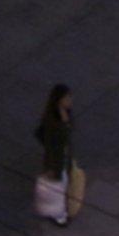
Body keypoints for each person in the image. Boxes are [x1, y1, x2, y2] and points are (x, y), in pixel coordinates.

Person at [35, 84, 79, 226]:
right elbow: (47, 139)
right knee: (59, 184)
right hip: (57, 160)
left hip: (63, 156)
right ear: (59, 100)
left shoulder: (64, 113)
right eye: (67, 97)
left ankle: (60, 212)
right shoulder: (52, 121)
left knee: (63, 183)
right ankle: (60, 216)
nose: (70, 100)